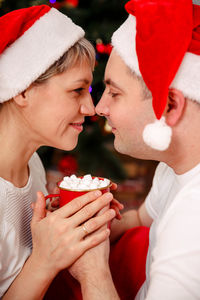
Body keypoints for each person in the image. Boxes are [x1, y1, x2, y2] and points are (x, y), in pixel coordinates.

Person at [68, 0, 200, 299]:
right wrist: (80, 232)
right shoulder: (175, 166)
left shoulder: (194, 221)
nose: (99, 108)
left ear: (170, 106)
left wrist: (92, 271)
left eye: (114, 93)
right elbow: (140, 220)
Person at [0, 5, 123, 299]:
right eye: (76, 90)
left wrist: (68, 223)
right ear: (23, 90)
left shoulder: (32, 165)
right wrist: (46, 259)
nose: (90, 109)